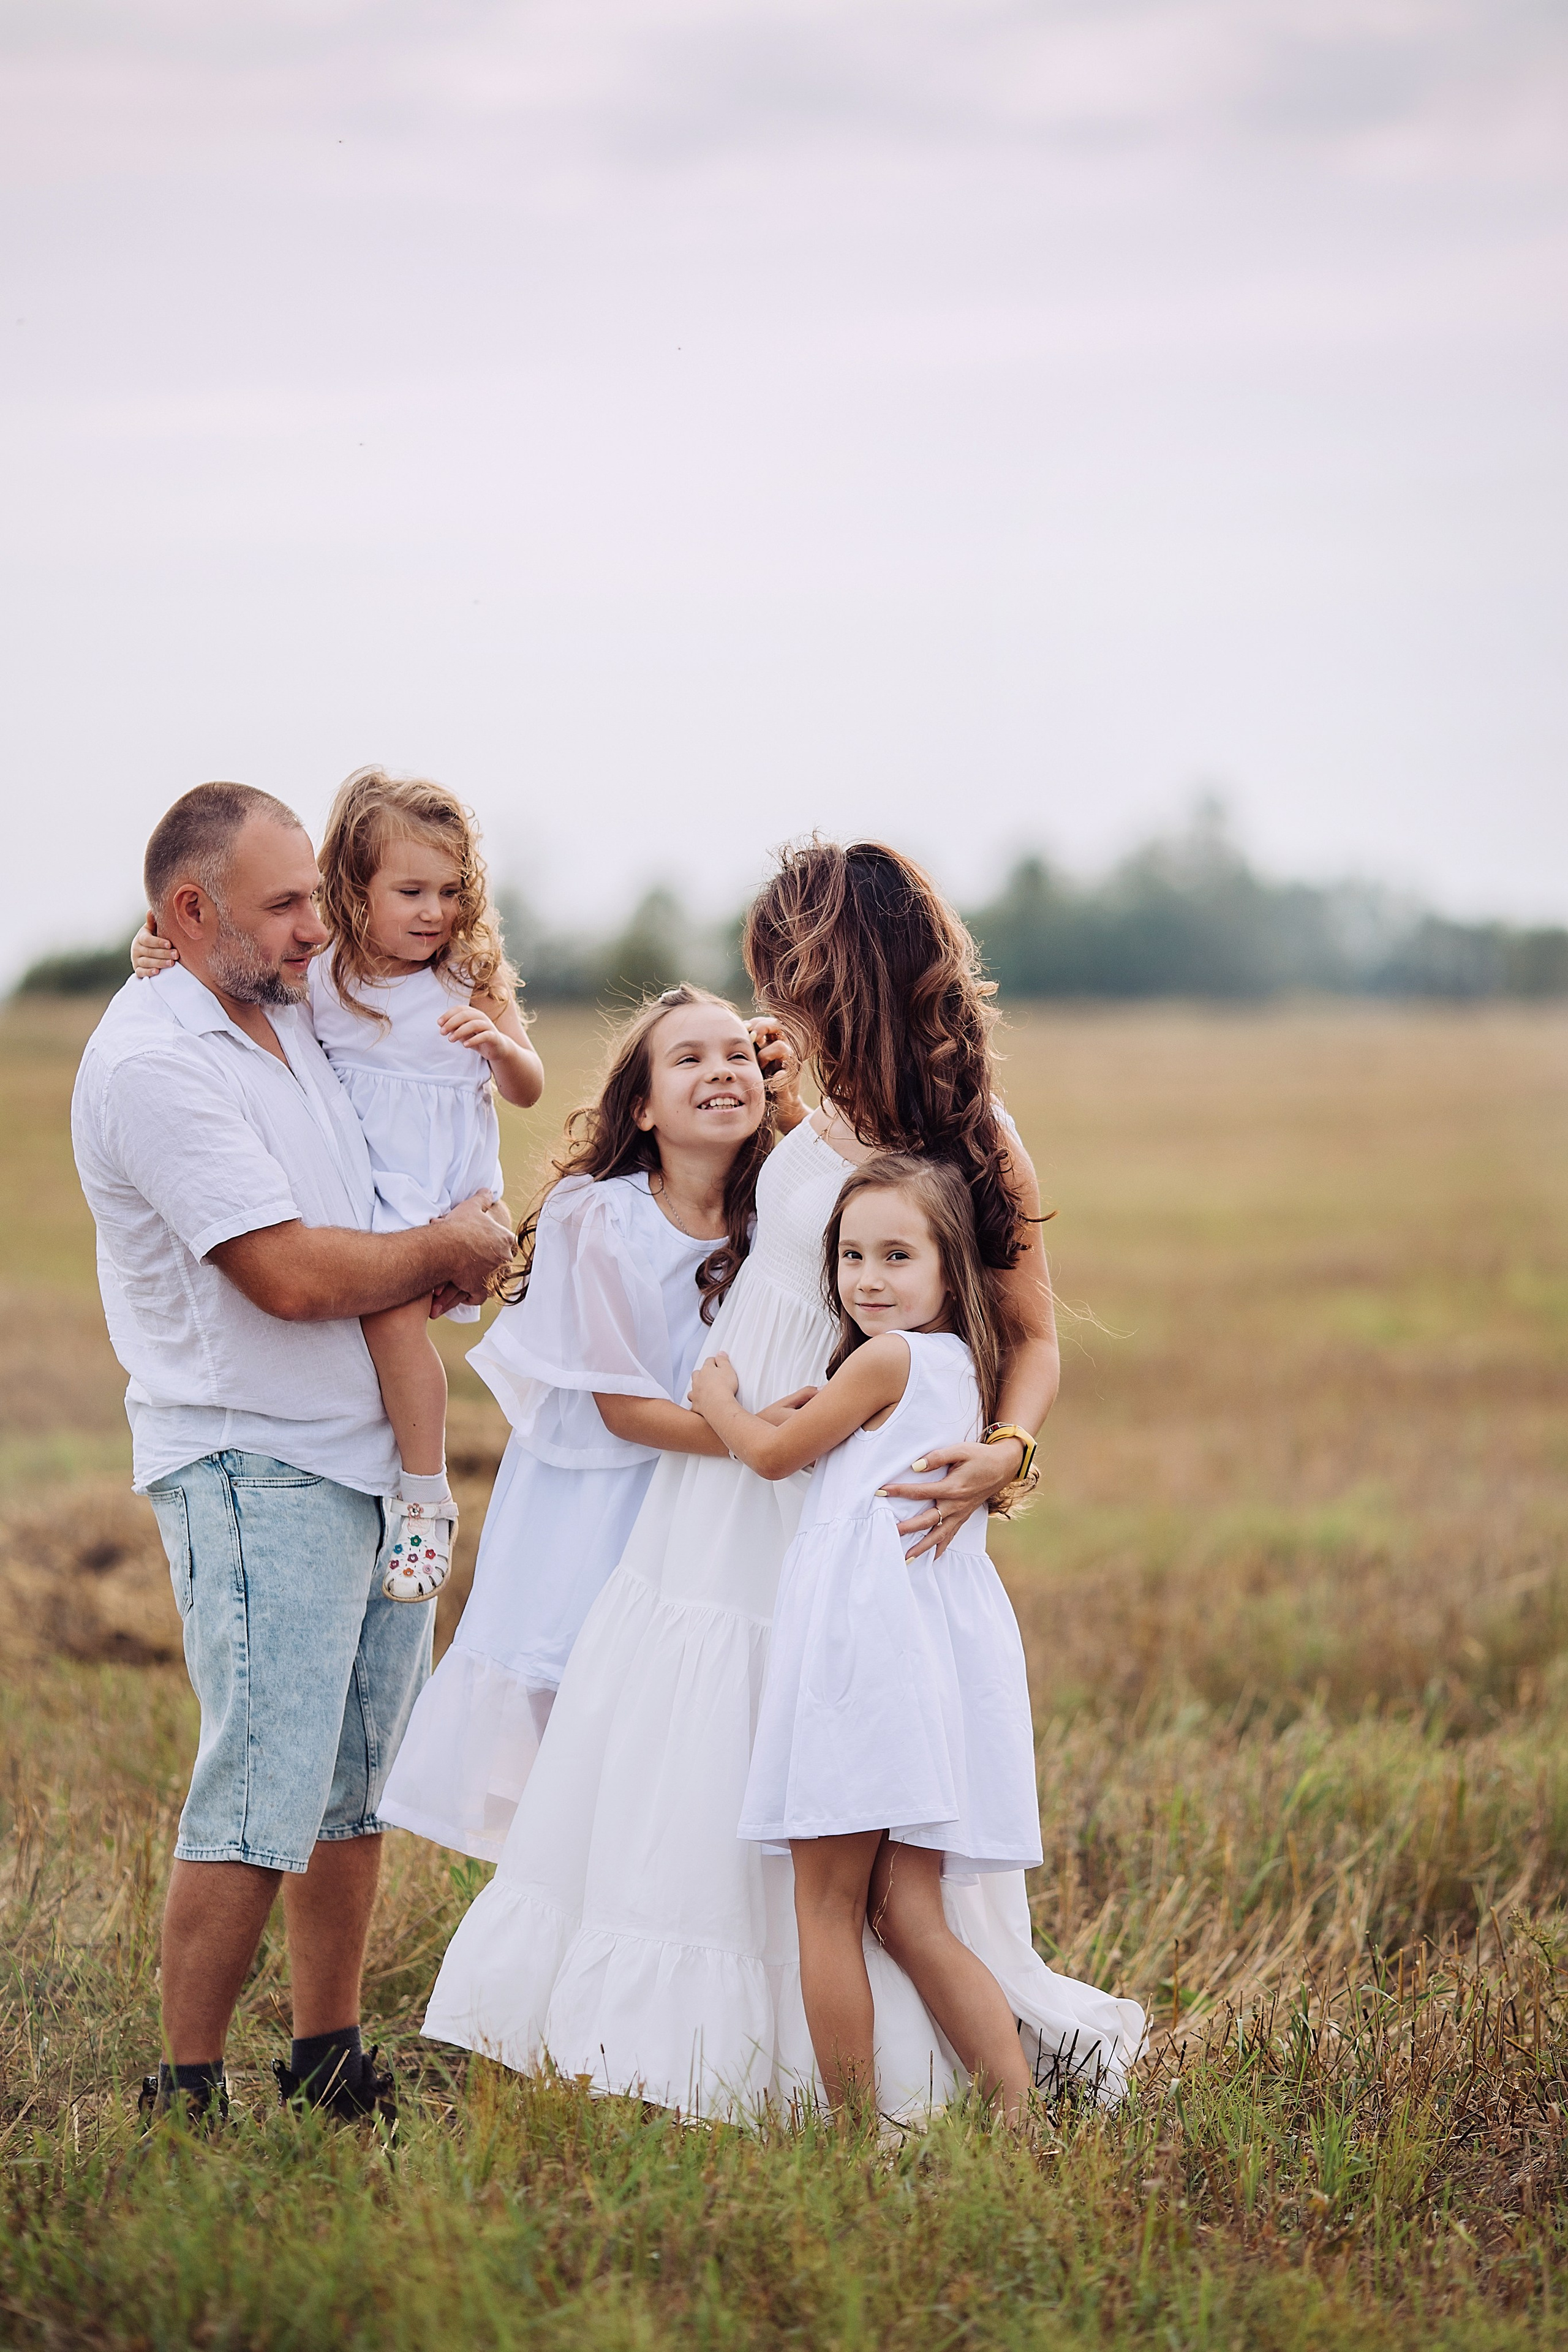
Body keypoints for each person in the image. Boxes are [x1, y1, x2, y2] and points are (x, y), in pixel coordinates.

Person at [421, 839, 1143, 2117]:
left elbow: (1029, 1335)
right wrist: (769, 1077)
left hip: (839, 1490)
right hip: (719, 1494)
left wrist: (1004, 1452)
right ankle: (665, 2040)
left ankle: (872, 2076)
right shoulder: (797, 1099)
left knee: (827, 1764)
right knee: (688, 1740)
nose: (774, 999)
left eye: (787, 976)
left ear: (837, 973)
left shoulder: (973, 1135)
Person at [75, 782, 515, 2127]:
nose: (315, 927)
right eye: (283, 906)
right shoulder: (158, 1062)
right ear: (188, 913)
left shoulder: (276, 1004)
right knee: (260, 1783)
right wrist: (444, 1251)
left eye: (314, 896)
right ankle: (185, 2086)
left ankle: (328, 2055)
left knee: (353, 1786)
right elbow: (281, 1273)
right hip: (251, 1462)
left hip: (375, 1459)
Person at [696, 1154, 1060, 2125]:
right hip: (919, 1661)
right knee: (908, 1915)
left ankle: (855, 2138)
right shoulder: (950, 1370)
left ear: (951, 1273)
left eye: (898, 1255)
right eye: (852, 1255)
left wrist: (719, 1402)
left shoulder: (887, 1357)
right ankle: (1021, 2118)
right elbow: (831, 1442)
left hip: (859, 1663)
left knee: (827, 1910)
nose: (868, 1279)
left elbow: (775, 1458)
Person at [379, 984, 776, 1859]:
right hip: (599, 1504)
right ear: (640, 1107)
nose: (721, 1072)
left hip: (714, 1494)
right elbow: (622, 1408)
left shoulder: (776, 1214)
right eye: (690, 1059)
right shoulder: (599, 1214)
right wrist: (765, 1443)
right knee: (585, 1738)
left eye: (739, 1055)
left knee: (688, 1738)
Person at [132, 765, 543, 1600]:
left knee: (419, 1337)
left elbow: (529, 1086)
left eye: (452, 891)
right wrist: (155, 949)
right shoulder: (326, 981)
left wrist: (498, 1048)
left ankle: (437, 1493)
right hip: (380, 1197)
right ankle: (421, 1489)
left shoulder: (469, 979)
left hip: (449, 1191)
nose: (436, 912)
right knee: (394, 1336)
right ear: (355, 894)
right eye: (412, 892)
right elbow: (231, 968)